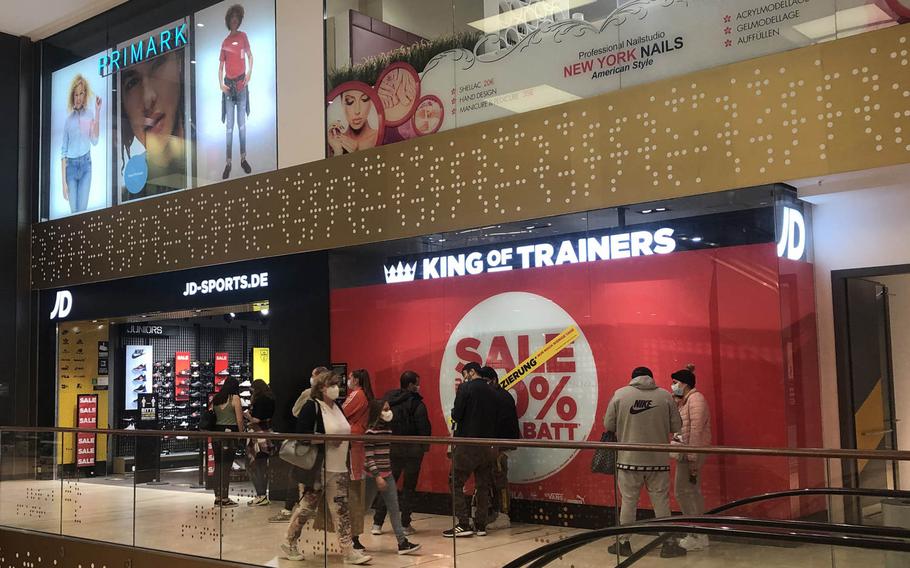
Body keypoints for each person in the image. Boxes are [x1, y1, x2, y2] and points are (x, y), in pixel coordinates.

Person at [281, 371, 371, 565]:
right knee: (306, 508)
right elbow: (302, 437)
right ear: (321, 387)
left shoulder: (337, 407)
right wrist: (326, 439)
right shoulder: (312, 407)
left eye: (337, 384)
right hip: (318, 469)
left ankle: (348, 551)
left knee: (341, 511)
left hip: (339, 468)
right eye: (331, 384)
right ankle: (289, 541)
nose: (336, 388)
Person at [603, 367, 685, 558]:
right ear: (651, 378)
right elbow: (677, 426)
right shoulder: (665, 396)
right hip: (658, 461)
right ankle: (667, 544)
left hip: (628, 461)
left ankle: (623, 543)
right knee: (661, 502)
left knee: (628, 502)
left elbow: (608, 425)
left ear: (632, 379)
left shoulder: (620, 395)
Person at [119, 49, 187, 200]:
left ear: (180, 66)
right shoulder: (127, 195)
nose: (148, 98)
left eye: (157, 65)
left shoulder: (212, 161)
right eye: (132, 83)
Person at [372, 371, 431, 536]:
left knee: (387, 487)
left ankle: (377, 523)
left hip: (391, 449)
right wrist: (424, 447)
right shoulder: (417, 404)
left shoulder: (388, 401)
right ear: (411, 385)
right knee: (408, 488)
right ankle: (405, 524)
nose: (419, 386)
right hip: (412, 451)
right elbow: (424, 428)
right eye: (417, 383)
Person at [444, 362, 498, 538]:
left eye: (465, 373)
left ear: (472, 371)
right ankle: (481, 524)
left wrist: (454, 411)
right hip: (488, 445)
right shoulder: (493, 390)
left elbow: (457, 414)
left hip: (468, 443)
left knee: (455, 482)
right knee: (483, 485)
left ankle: (463, 523)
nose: (464, 377)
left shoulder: (465, 388)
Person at [362, 399, 421, 555]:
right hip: (372, 476)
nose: (388, 412)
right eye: (385, 409)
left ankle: (402, 542)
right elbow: (369, 457)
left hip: (387, 473)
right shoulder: (370, 433)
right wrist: (377, 476)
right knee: (364, 508)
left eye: (389, 409)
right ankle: (353, 538)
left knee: (394, 509)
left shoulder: (388, 431)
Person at [270, 366, 328, 523]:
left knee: (300, 476)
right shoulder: (319, 397)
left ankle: (293, 509)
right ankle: (300, 509)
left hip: (313, 445)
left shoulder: (310, 395)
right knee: (307, 476)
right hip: (319, 444)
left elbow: (295, 412)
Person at [671, 366, 711, 552]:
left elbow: (695, 430)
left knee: (685, 492)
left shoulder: (696, 400)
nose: (673, 386)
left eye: (675, 382)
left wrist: (693, 458)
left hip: (691, 453)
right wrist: (677, 401)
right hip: (687, 452)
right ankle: (697, 533)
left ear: (684, 383)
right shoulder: (686, 400)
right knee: (689, 492)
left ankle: (696, 534)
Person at [479, 366, 520, 530]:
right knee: (495, 479)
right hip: (497, 444)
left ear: (494, 380)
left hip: (499, 445)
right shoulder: (500, 396)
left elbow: (500, 424)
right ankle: (498, 513)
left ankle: (503, 514)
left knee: (499, 479)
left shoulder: (499, 397)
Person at [219, 4, 254, 179]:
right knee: (229, 127)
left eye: (236, 18)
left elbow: (250, 56)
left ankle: (243, 158)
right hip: (228, 87)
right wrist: (220, 84)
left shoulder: (243, 37)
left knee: (241, 125)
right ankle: (228, 162)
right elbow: (221, 66)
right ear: (228, 21)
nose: (234, 20)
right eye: (231, 18)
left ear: (239, 20)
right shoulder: (225, 42)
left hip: (241, 86)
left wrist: (249, 74)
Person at [343, 369, 375, 552]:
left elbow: (342, 413)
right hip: (358, 446)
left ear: (355, 379)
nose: (347, 380)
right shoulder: (366, 396)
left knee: (353, 492)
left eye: (349, 378)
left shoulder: (357, 395)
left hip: (352, 447)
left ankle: (351, 535)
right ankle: (352, 535)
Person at [61, 74, 100, 214]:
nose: (78, 98)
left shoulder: (89, 115)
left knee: (82, 212)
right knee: (74, 212)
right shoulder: (68, 121)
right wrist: (63, 184)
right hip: (70, 168)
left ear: (85, 95)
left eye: (81, 93)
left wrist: (98, 111)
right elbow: (63, 152)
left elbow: (95, 141)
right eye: (76, 94)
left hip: (86, 166)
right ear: (72, 96)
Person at [211, 376, 244, 507]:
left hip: (216, 434)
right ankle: (224, 498)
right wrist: (241, 434)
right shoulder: (235, 398)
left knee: (218, 466)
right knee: (226, 467)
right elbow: (239, 419)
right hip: (230, 435)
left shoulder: (217, 398)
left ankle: (218, 497)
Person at [245, 379, 275, 506]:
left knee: (253, 466)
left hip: (257, 434)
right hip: (267, 433)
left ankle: (260, 494)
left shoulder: (259, 400)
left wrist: (247, 416)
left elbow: (256, 419)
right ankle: (263, 495)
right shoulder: (271, 399)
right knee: (263, 466)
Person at [328, 89, 379, 156]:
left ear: (370, 103)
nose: (357, 111)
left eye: (364, 99)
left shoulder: (381, 136)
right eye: (350, 102)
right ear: (342, 104)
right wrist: (338, 151)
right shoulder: (335, 142)